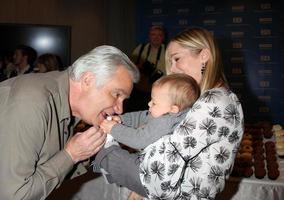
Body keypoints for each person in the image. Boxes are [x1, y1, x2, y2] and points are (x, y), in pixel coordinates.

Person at [93, 27, 244, 200]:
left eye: (177, 59)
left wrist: (108, 149)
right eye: (170, 62)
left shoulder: (213, 103)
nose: (171, 69)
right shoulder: (210, 98)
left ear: (204, 56)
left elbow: (159, 175)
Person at [0, 45, 140, 199]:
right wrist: (70, 155)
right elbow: (11, 196)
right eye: (116, 94)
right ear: (88, 80)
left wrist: (91, 148)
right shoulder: (31, 103)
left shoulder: (65, 107)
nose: (119, 109)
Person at [100, 73, 200, 151]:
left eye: (154, 103)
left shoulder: (165, 122)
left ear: (173, 109)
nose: (149, 103)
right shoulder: (165, 112)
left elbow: (139, 139)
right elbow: (142, 116)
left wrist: (113, 129)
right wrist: (122, 119)